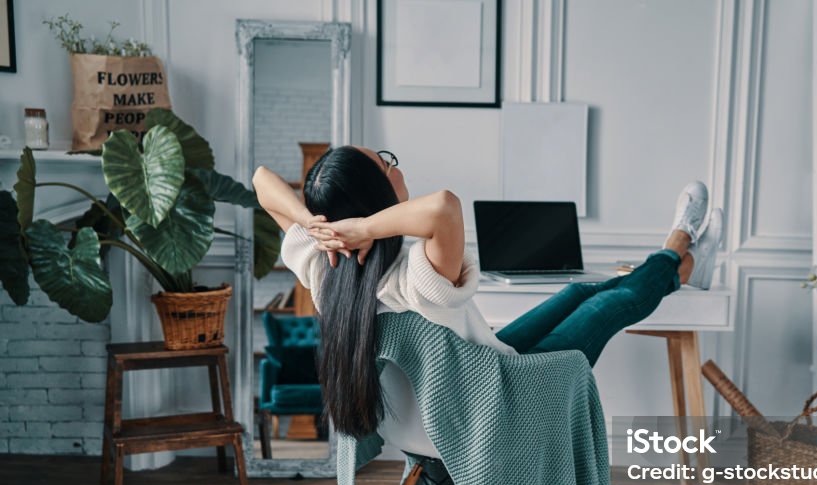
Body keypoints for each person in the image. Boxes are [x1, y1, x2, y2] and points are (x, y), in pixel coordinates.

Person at [252, 146, 722, 453]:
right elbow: (444, 206)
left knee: (580, 290)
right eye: (385, 163)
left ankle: (681, 267)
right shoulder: (416, 275)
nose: (396, 164)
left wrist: (316, 226)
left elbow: (260, 180)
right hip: (493, 405)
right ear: (375, 198)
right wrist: (364, 228)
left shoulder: (323, 271)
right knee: (605, 307)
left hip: (458, 394)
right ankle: (678, 246)